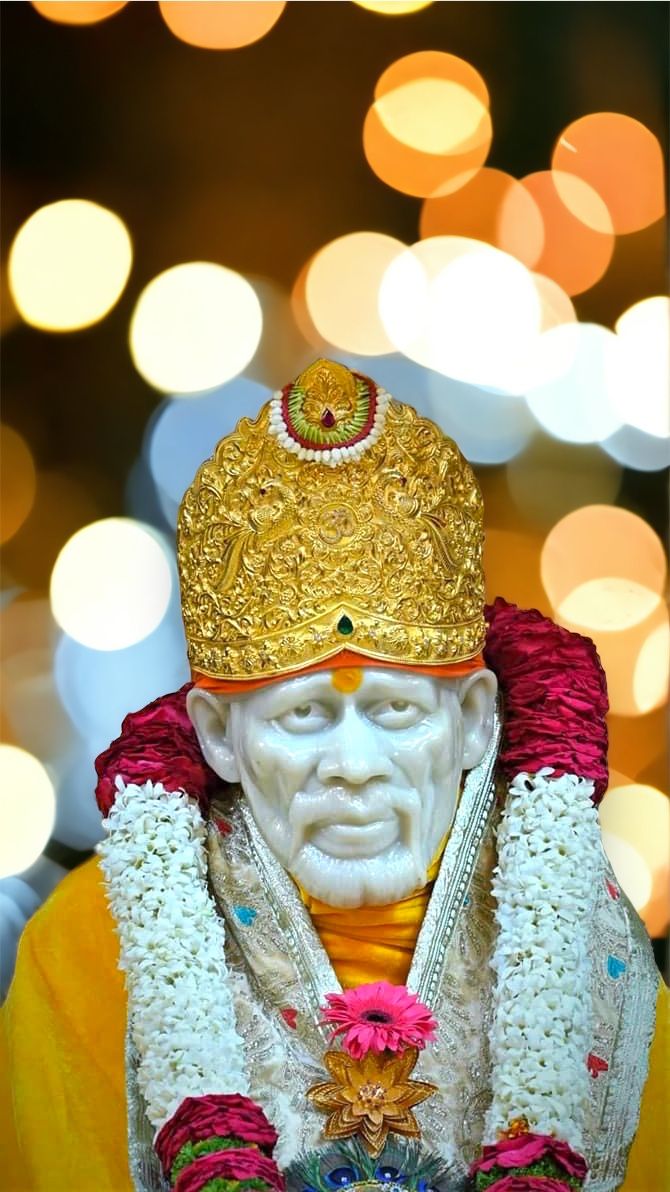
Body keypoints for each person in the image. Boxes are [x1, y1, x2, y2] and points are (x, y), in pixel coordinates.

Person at [1, 360, 667, 1192]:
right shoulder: (85, 952)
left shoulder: (585, 936)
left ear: (471, 720)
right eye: (303, 716)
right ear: (218, 737)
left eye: (394, 712)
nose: (353, 768)